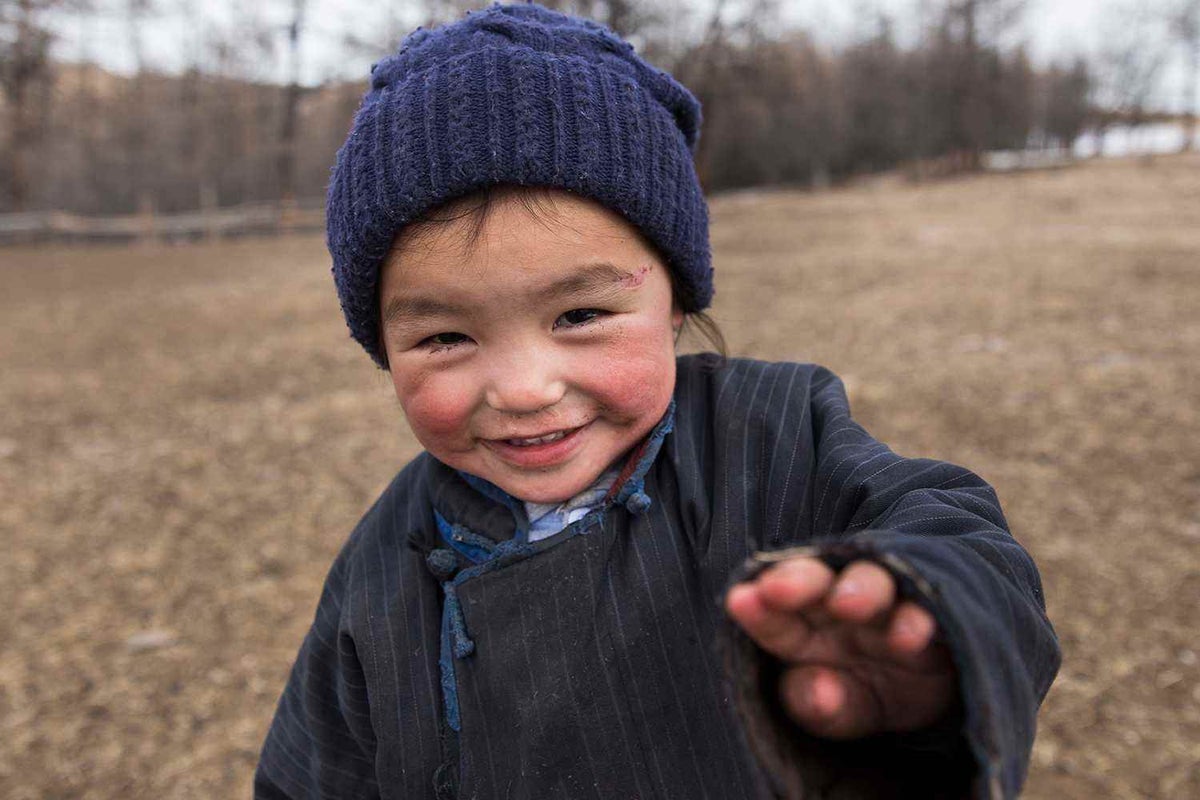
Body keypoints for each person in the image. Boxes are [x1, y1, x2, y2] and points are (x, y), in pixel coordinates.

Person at [255, 3, 1060, 798]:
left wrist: (928, 627)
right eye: (444, 339)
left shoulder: (775, 436)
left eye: (580, 316)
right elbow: (310, 775)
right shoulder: (384, 560)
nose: (525, 389)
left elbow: (961, 533)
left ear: (674, 301)